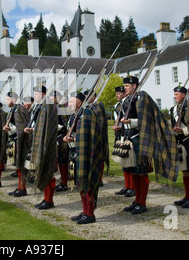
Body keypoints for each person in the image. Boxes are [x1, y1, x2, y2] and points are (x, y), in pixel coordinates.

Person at [117, 76, 179, 215]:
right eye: (125, 85)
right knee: (133, 172)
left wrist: (130, 122)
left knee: (141, 172)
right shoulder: (127, 100)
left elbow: (146, 120)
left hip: (139, 139)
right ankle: (136, 201)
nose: (125, 88)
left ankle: (142, 202)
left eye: (127, 85)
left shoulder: (142, 98)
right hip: (128, 139)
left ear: (134, 86)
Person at [64, 91, 107, 224]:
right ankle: (84, 211)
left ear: (79, 103)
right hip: (75, 153)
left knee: (87, 184)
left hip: (87, 154)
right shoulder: (73, 116)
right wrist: (68, 138)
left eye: (71, 101)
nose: (68, 104)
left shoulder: (87, 114)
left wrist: (74, 138)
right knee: (80, 183)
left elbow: (90, 135)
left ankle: (90, 213)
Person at [25, 86, 58, 210]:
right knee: (43, 171)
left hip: (47, 144)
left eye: (37, 94)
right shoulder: (42, 106)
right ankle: (46, 199)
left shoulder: (48, 106)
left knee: (48, 173)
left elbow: (48, 128)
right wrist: (32, 130)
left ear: (43, 94)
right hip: (41, 143)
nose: (35, 96)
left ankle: (49, 200)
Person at [4, 92, 30, 197]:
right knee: (18, 165)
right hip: (15, 140)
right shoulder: (13, 110)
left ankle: (22, 188)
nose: (6, 102)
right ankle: (20, 187)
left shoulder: (19, 109)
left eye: (7, 99)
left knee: (22, 165)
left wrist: (11, 129)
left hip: (22, 142)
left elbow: (22, 127)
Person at [112, 86, 135, 197]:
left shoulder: (128, 103)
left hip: (127, 134)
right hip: (120, 135)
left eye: (119, 93)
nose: (117, 95)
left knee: (129, 163)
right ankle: (127, 186)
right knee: (123, 163)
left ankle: (132, 187)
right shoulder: (118, 106)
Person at [50, 91, 70, 192]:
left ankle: (64, 183)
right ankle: (63, 181)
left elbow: (67, 124)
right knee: (59, 160)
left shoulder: (62, 108)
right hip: (56, 136)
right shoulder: (55, 107)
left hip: (62, 137)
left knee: (63, 161)